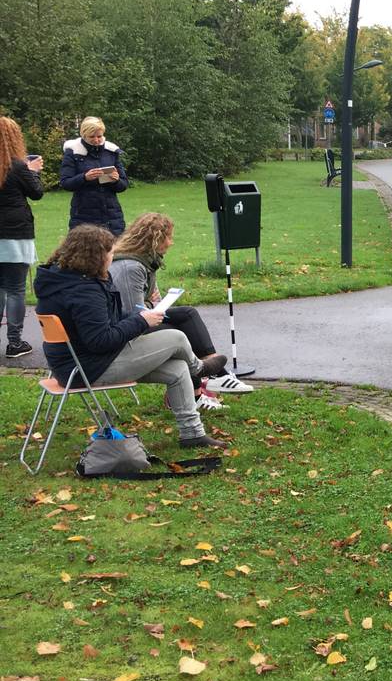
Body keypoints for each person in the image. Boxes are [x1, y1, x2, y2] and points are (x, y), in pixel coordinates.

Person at [33, 225, 227, 449]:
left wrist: (139, 316)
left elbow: (105, 323)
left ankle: (192, 434)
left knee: (177, 369)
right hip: (90, 367)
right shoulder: (84, 291)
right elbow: (100, 340)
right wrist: (142, 321)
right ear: (95, 256)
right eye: (109, 252)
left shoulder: (65, 281)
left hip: (74, 365)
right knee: (176, 337)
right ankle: (200, 368)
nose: (112, 257)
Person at [109, 213, 254, 411]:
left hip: (139, 322)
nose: (171, 242)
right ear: (155, 240)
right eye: (168, 237)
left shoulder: (144, 262)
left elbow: (150, 301)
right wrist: (155, 308)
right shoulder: (131, 267)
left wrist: (157, 305)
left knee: (187, 315)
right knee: (182, 328)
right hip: (125, 334)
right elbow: (132, 315)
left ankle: (211, 380)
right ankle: (213, 377)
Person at [0, 116, 43, 358]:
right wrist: (33, 172)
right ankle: (14, 342)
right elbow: (36, 193)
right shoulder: (17, 167)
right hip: (15, 232)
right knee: (15, 289)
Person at [59, 116, 128, 236]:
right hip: (83, 215)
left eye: (99, 136)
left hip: (111, 215)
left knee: (115, 253)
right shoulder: (73, 153)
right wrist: (84, 177)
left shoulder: (111, 152)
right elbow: (65, 183)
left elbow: (123, 185)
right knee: (85, 253)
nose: (96, 140)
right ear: (83, 135)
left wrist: (115, 180)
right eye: (92, 137)